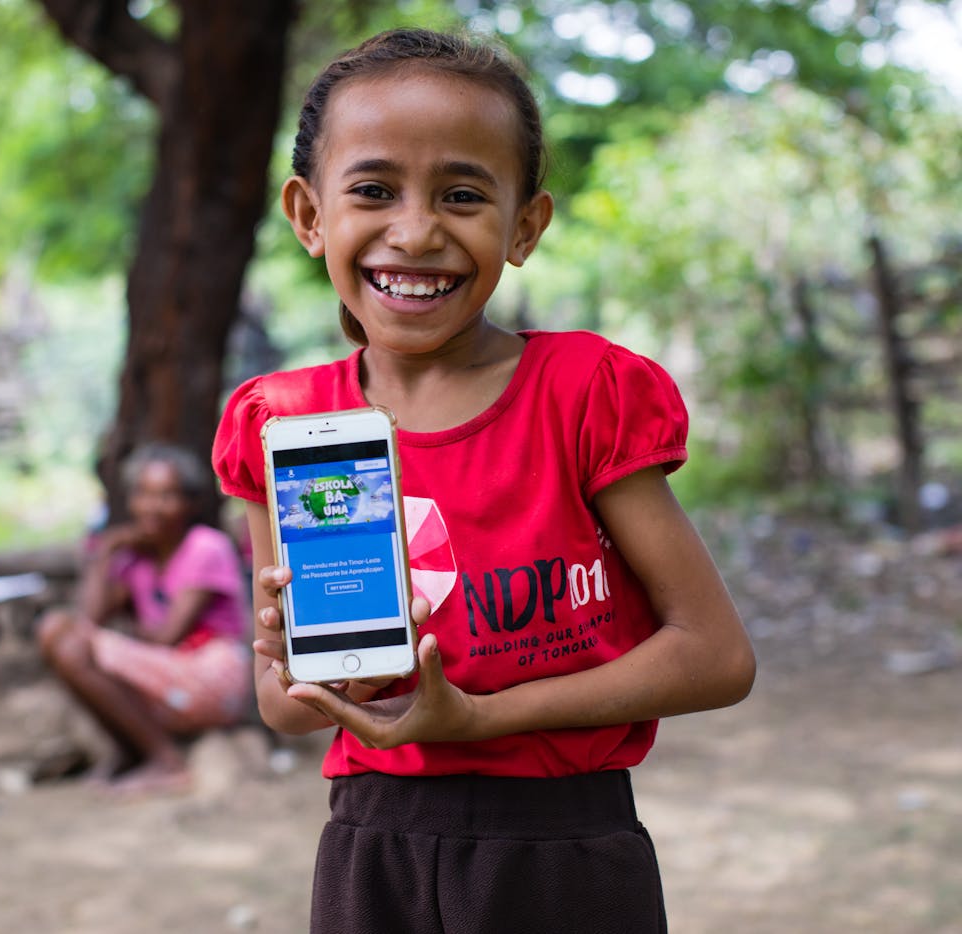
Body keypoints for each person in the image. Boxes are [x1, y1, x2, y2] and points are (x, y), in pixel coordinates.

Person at [212, 27, 756, 933]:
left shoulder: (585, 394)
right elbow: (286, 710)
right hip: (372, 854)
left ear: (525, 226)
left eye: (462, 195)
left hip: (565, 854)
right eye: (373, 190)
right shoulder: (285, 424)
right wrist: (299, 659)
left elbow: (714, 655)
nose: (416, 231)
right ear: (309, 215)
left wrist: (479, 719)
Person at [37, 443, 252, 794]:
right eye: (144, 494)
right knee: (61, 638)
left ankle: (166, 761)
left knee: (66, 638)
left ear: (190, 503)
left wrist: (123, 637)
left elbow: (167, 637)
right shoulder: (136, 561)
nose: (152, 507)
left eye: (166, 496)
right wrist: (105, 553)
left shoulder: (205, 547)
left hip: (210, 675)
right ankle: (133, 753)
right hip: (167, 675)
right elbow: (89, 618)